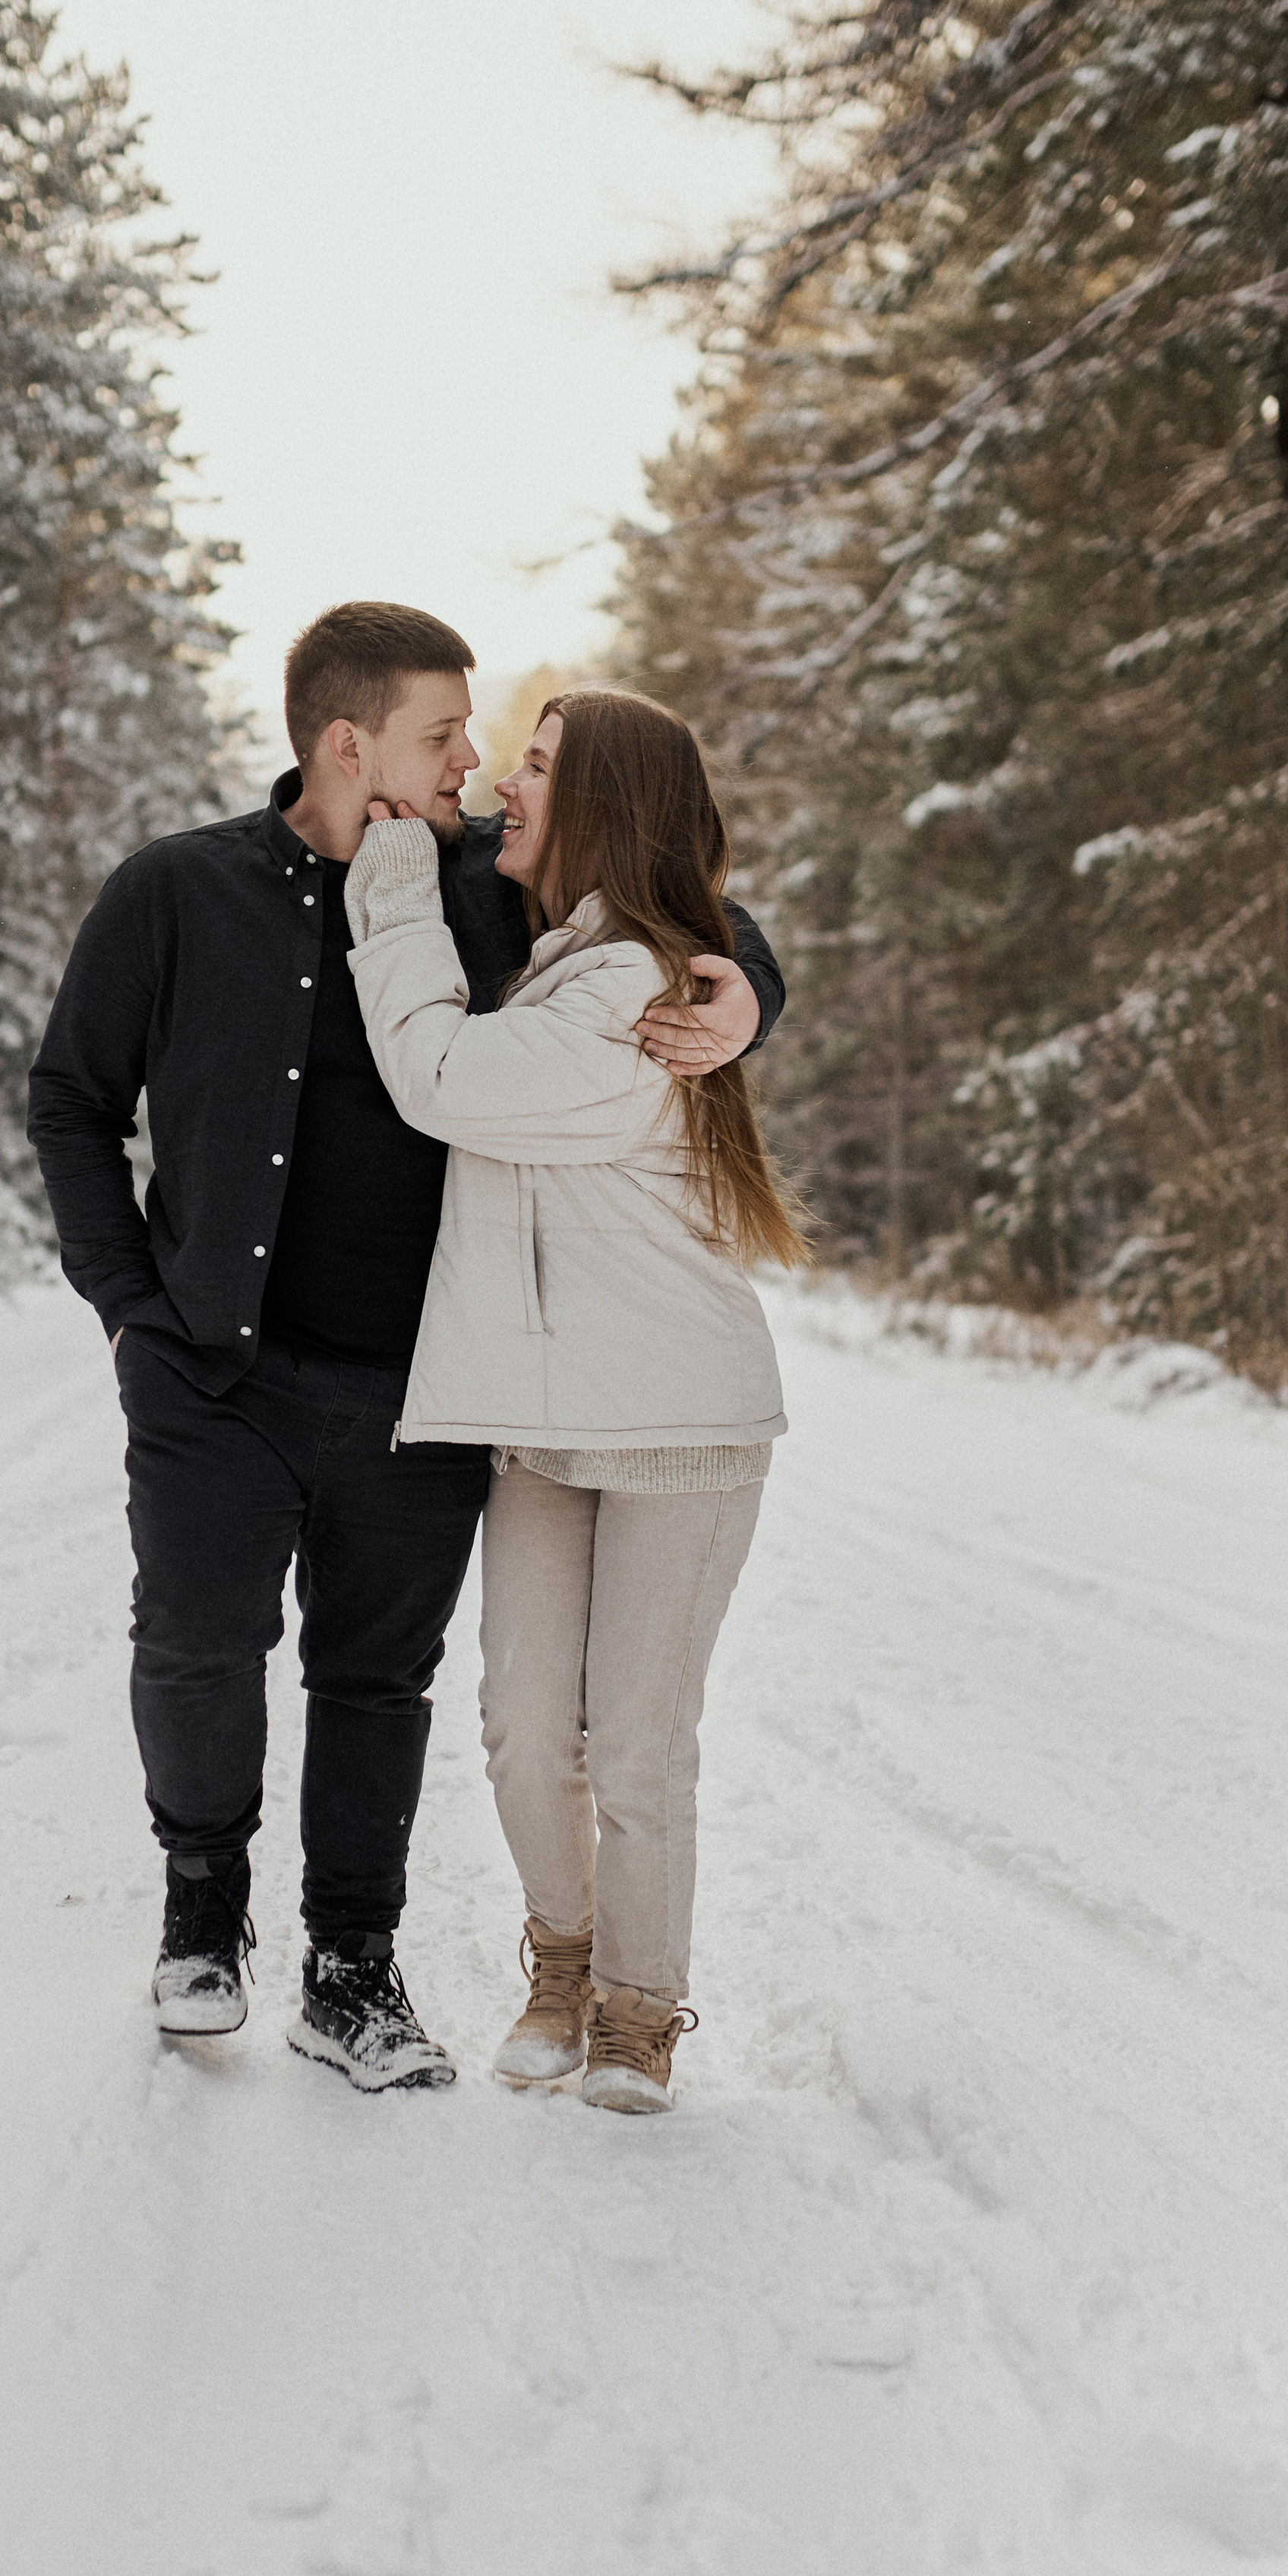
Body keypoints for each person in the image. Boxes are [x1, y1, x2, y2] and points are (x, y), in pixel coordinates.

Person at [25, 603, 785, 2093]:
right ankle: (198, 1926)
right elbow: (72, 1094)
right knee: (198, 1645)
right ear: (345, 741)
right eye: (448, 736)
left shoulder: (475, 891)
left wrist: (749, 991)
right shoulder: (173, 892)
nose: (480, 769)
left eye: (494, 744)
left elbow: (660, 905)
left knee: (380, 1684)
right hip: (212, 1362)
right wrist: (126, 1296)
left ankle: (353, 1980)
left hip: (413, 1389)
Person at [343, 687, 808, 2113]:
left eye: (536, 769)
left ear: (599, 804)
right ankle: (564, 1948)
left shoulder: (628, 988)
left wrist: (395, 887)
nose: (504, 790)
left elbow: (435, 1074)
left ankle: (637, 2004)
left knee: (639, 1739)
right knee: (527, 1724)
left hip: (677, 1419)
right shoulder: (569, 960)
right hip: (547, 1413)